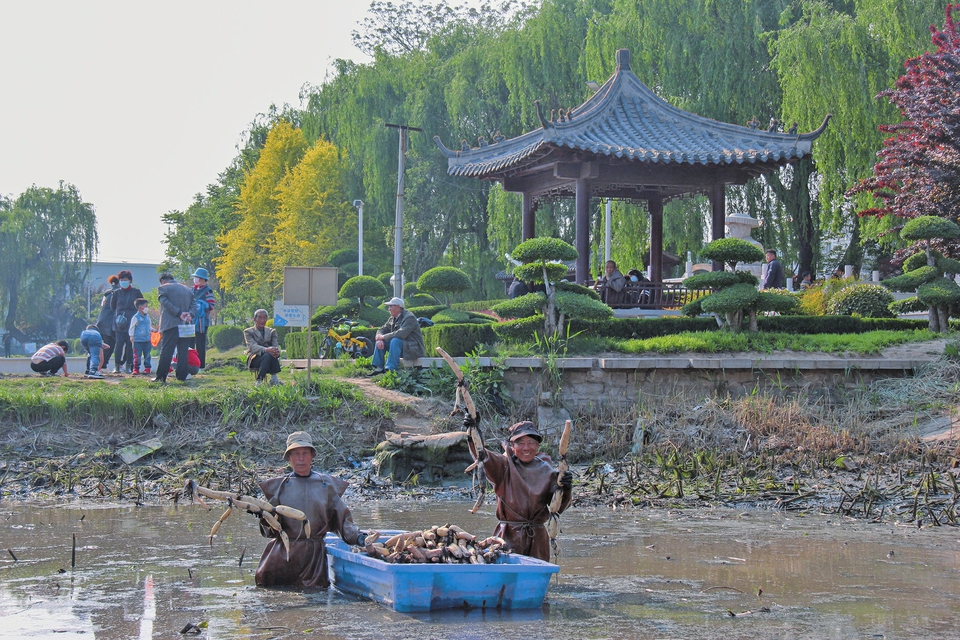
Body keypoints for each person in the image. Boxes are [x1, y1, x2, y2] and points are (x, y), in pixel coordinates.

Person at [255, 431, 365, 589]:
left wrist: (360, 538)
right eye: (296, 454)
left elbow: (342, 521)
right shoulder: (278, 487)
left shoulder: (325, 485)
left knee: (316, 598)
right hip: (282, 556)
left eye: (305, 453)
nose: (301, 458)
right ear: (289, 458)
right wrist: (262, 516)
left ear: (312, 455)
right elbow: (269, 532)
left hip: (313, 560)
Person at [465, 419, 573, 562]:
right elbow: (482, 455)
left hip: (537, 537)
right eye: (520, 443)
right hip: (508, 535)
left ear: (538, 445)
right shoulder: (503, 465)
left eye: (531, 443)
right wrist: (473, 431)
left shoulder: (547, 468)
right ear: (512, 445)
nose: (526, 448)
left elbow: (557, 508)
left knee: (535, 579)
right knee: (506, 578)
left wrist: (566, 488)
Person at [152, 273, 195, 384]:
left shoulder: (163, 288)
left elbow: (165, 303)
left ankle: (161, 377)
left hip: (171, 324)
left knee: (167, 351)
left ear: (162, 281)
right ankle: (181, 376)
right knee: (183, 351)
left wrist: (178, 313)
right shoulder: (187, 289)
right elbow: (194, 304)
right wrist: (190, 314)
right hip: (186, 324)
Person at [368, 297, 425, 377]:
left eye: (391, 306)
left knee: (395, 340)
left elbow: (401, 333)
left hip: (412, 349)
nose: (389, 309)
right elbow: (382, 329)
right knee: (382, 341)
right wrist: (379, 338)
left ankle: (391, 369)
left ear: (398, 307)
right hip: (401, 347)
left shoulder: (409, 317)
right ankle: (379, 368)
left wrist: (383, 337)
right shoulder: (393, 318)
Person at [110, 270, 143, 373]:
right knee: (119, 344)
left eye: (125, 280)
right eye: (121, 280)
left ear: (130, 281)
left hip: (132, 322)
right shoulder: (116, 293)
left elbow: (142, 305)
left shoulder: (136, 292)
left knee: (130, 345)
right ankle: (117, 365)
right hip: (119, 323)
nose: (123, 282)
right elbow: (112, 306)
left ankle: (129, 365)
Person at [244, 309, 282, 386]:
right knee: (268, 354)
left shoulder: (272, 331)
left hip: (269, 357)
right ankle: (272, 377)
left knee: (270, 354)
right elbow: (252, 346)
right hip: (255, 357)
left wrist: (276, 350)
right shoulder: (248, 332)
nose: (262, 320)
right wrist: (266, 349)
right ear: (255, 319)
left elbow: (275, 344)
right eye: (260, 318)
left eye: (264, 318)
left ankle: (261, 380)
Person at [190, 267, 216, 370]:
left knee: (200, 343)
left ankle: (201, 366)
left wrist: (201, 306)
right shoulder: (193, 289)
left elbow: (211, 305)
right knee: (190, 343)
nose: (195, 280)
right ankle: (191, 363)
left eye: (196, 278)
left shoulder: (207, 290)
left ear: (201, 279)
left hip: (202, 322)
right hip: (191, 321)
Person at [96, 275, 120, 367]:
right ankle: (102, 365)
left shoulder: (107, 293)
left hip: (101, 322)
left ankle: (101, 364)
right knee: (109, 345)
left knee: (105, 345)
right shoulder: (116, 293)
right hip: (109, 323)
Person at [128, 298, 153, 375]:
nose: (147, 308)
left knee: (147, 355)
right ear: (140, 307)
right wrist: (131, 336)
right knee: (137, 355)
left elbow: (149, 326)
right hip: (138, 340)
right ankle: (136, 368)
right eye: (146, 306)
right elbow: (132, 327)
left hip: (147, 340)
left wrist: (153, 330)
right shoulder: (136, 317)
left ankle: (147, 368)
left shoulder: (147, 317)